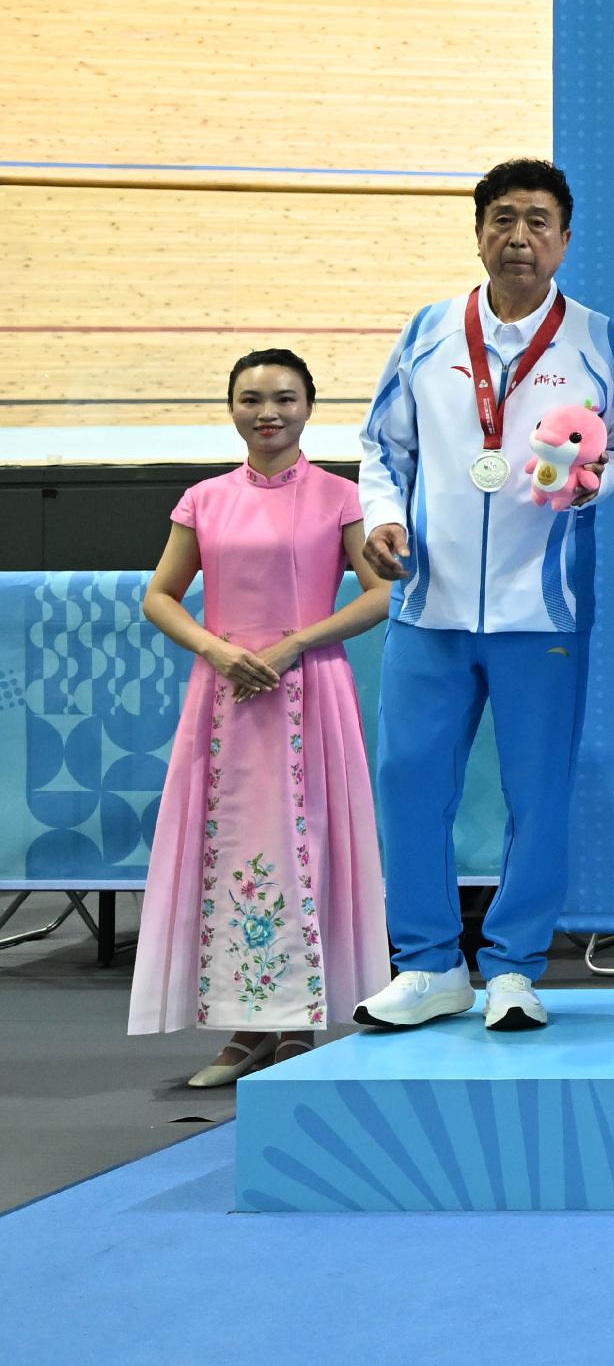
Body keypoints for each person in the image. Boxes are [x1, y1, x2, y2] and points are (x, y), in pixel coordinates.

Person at [351, 160, 614, 1034]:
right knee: (409, 785)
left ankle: (513, 967)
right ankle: (430, 963)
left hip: (538, 609)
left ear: (565, 238)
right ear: (478, 231)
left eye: (539, 221)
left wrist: (596, 485)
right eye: (503, 219)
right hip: (427, 606)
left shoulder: (600, 340)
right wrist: (383, 517)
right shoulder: (430, 332)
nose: (520, 236)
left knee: (538, 792)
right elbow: (379, 448)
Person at [130, 349, 393, 1084]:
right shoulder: (203, 499)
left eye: (283, 397)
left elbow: (378, 595)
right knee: (230, 853)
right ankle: (242, 1027)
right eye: (251, 398)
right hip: (223, 700)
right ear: (232, 407)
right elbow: (160, 595)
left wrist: (294, 645)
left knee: (301, 845)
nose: (267, 411)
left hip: (309, 692)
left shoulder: (340, 495)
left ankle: (296, 1024)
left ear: (310, 405)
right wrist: (218, 649)